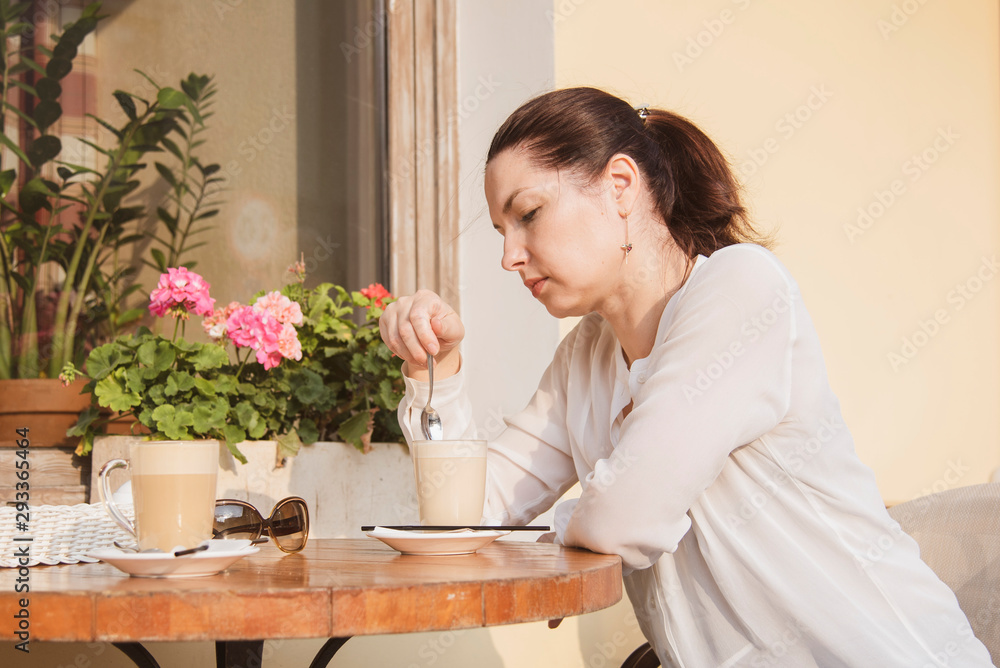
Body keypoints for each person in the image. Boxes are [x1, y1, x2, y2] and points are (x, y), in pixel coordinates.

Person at [378, 87, 994, 667]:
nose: (509, 256)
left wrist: (550, 532)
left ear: (620, 186)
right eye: (501, 232)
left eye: (529, 215)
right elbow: (463, 522)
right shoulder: (584, 361)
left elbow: (627, 519)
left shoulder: (741, 290)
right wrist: (435, 372)